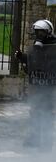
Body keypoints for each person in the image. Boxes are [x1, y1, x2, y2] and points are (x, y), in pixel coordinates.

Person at [16, 19, 56, 148]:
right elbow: (34, 61)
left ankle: (46, 142)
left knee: (46, 113)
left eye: (41, 33)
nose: (39, 35)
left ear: (48, 32)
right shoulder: (38, 46)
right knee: (34, 112)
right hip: (37, 85)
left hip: (49, 86)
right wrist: (22, 57)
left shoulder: (54, 46)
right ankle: (34, 139)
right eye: (37, 32)